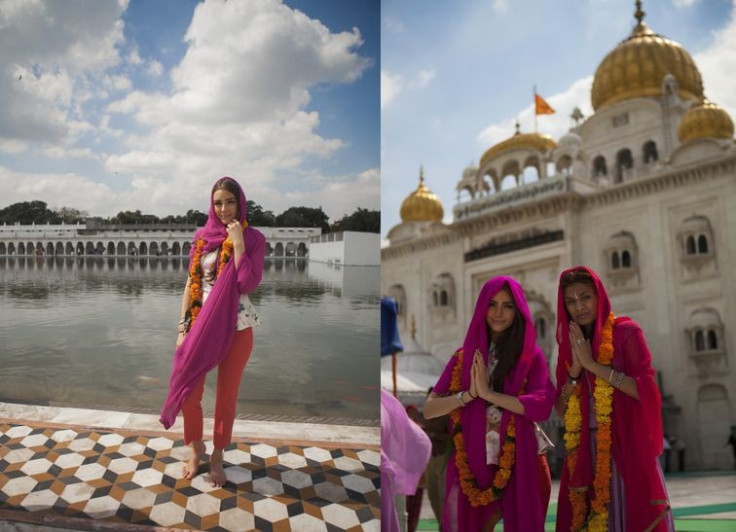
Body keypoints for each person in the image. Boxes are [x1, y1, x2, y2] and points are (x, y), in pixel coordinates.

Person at [424, 276, 555, 531]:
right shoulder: (464, 358)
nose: (498, 313)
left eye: (507, 306)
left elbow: (541, 405)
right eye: (492, 304)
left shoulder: (530, 356)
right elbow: (430, 409)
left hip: (520, 461)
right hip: (471, 463)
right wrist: (469, 395)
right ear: (482, 307)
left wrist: (489, 394)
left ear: (517, 311)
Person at [160, 176, 266, 487]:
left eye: (230, 202)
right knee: (188, 390)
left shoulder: (255, 238)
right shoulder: (202, 239)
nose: (223, 209)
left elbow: (246, 284)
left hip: (235, 328)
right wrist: (182, 327)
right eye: (218, 202)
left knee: (225, 396)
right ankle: (195, 449)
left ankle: (217, 455)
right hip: (198, 327)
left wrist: (240, 243)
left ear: (240, 203)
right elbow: (189, 286)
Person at [554, 266, 674, 531]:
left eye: (585, 297)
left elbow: (644, 390)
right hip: (586, 452)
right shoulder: (569, 346)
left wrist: (594, 365)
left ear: (599, 296)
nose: (579, 307)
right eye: (571, 301)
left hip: (625, 446)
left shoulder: (625, 333)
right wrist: (574, 374)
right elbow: (562, 410)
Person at [382, 389, 432, 532]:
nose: (413, 414)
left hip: (401, 476)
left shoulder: (387, 406)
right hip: (393, 474)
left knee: (411, 511)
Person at [423, 386, 451, 531]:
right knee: (432, 496)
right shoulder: (426, 414)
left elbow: (451, 437)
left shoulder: (447, 415)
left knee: (443, 497)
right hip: (430, 458)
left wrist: (433, 435)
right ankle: (442, 526)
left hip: (443, 458)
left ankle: (445, 526)